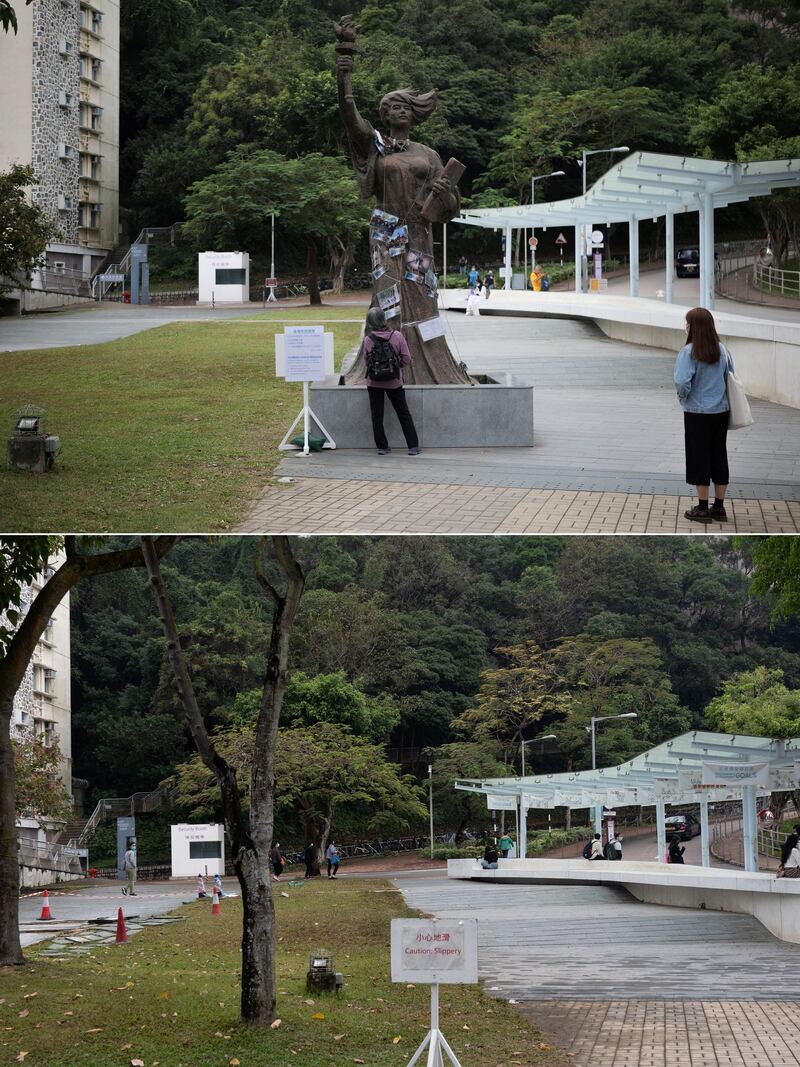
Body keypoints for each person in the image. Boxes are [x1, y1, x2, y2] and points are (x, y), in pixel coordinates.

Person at [336, 16, 470, 386]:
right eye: (393, 107)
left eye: (406, 106)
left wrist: (444, 195)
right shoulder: (374, 146)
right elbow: (348, 110)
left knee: (422, 294)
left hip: (419, 231)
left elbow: (451, 203)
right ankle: (380, 363)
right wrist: (344, 59)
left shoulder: (428, 153)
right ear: (384, 115)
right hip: (385, 230)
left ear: (414, 113)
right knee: (386, 297)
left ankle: (431, 365)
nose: (401, 110)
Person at [674, 307, 734, 523]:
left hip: (697, 413)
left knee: (699, 456)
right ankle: (719, 507)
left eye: (687, 323)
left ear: (693, 327)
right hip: (721, 412)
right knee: (718, 455)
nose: (685, 327)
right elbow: (731, 377)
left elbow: (682, 382)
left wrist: (684, 398)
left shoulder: (688, 352)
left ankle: (702, 508)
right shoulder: (722, 349)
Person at [362, 306, 420, 456]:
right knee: (403, 413)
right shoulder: (397, 336)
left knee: (377, 415)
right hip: (394, 382)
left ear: (369, 322)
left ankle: (382, 447)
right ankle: (413, 446)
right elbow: (407, 358)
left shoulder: (368, 340)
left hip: (374, 383)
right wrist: (395, 368)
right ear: (384, 319)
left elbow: (367, 362)